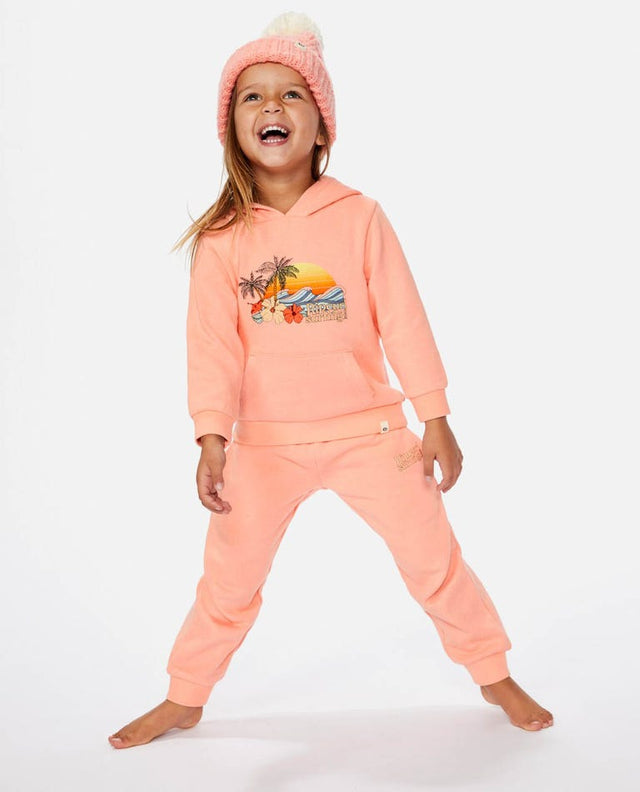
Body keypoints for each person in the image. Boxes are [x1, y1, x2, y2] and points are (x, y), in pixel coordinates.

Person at [108, 11, 553, 749]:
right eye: (253, 96)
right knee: (228, 581)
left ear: (321, 127)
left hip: (370, 434)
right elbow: (212, 347)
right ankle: (185, 695)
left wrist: (435, 415)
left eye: (292, 94)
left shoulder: (360, 217)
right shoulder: (222, 239)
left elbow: (404, 320)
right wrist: (211, 437)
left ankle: (491, 672)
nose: (272, 106)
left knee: (434, 560)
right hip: (263, 446)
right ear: (232, 128)